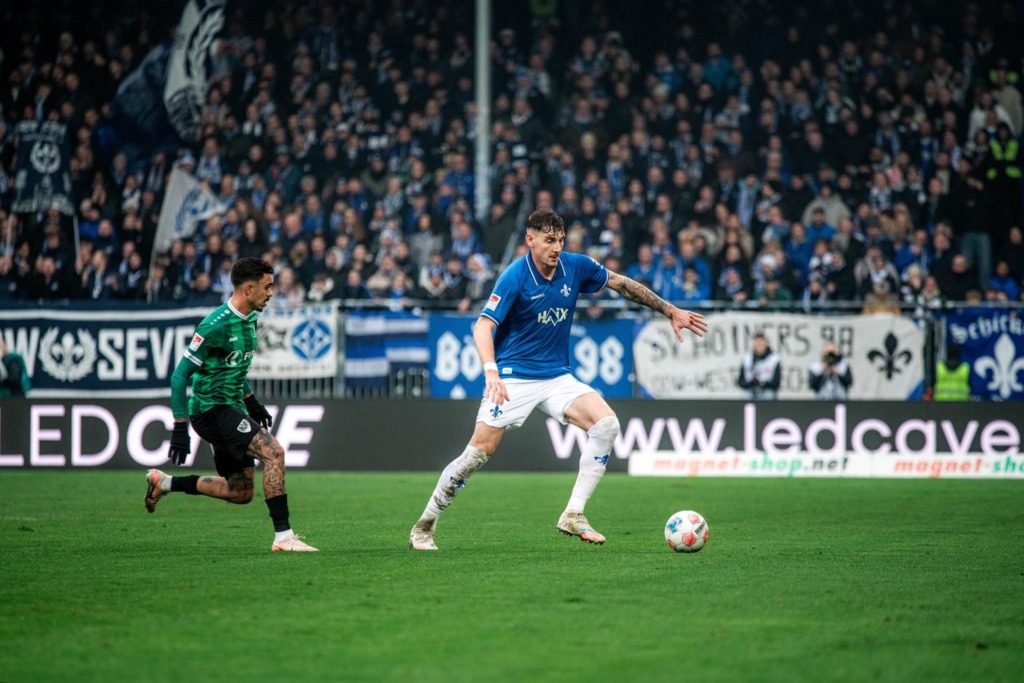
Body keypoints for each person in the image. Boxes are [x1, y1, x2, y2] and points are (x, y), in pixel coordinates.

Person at [409, 208, 709, 550]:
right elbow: (482, 326)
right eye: (549, 240)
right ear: (530, 239)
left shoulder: (575, 266)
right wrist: (491, 371)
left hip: (556, 376)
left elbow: (622, 284)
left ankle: (573, 513)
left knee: (606, 425)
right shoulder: (514, 276)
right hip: (514, 376)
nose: (557, 247)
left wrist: (669, 310)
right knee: (477, 454)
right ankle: (425, 524)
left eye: (561, 240)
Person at [144, 257, 317, 552]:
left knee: (240, 492)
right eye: (267, 287)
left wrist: (251, 401)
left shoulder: (250, 318)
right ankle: (283, 537)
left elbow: (234, 366)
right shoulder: (214, 326)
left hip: (233, 406)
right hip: (211, 410)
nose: (271, 293)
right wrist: (179, 426)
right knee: (274, 452)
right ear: (248, 288)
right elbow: (179, 376)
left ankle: (164, 483)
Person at [737, 331, 781, 400]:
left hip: (769, 400)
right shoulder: (747, 359)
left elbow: (776, 383)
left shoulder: (774, 360)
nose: (759, 344)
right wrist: (751, 383)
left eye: (761, 342)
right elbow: (741, 382)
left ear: (766, 343)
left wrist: (761, 383)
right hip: (749, 399)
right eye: (757, 342)